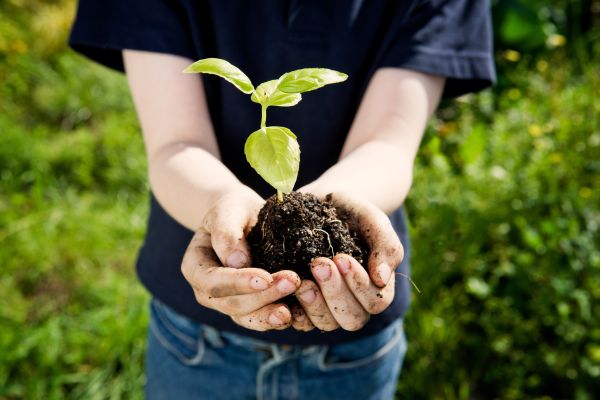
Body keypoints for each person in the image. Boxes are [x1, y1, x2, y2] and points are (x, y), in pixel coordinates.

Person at [70, 1, 495, 399]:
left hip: (353, 349)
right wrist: (222, 203)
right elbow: (174, 145)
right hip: (194, 337)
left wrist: (325, 205)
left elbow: (388, 145)